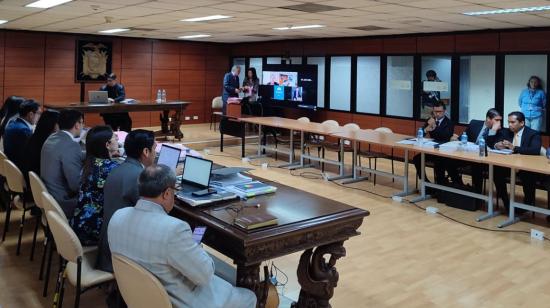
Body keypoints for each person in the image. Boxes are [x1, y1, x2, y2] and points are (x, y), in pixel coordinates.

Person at [108, 165, 257, 308]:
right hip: (179, 302)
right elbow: (205, 275)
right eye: (174, 190)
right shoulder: (174, 230)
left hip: (138, 297)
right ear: (166, 193)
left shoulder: (117, 216)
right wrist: (194, 244)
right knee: (249, 296)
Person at [96, 129, 156, 272]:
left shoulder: (117, 168)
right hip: (120, 252)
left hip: (107, 241)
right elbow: (152, 214)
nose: (156, 153)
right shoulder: (139, 177)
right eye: (154, 149)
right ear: (146, 152)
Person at [70, 126, 120, 246]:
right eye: (114, 137)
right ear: (107, 145)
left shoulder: (89, 162)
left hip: (80, 223)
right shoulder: (111, 168)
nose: (117, 138)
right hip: (94, 231)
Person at [446, 108, 505, 195]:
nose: (498, 123)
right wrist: (455, 139)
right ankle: (459, 185)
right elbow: (462, 138)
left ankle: (477, 196)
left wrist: (492, 131)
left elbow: (490, 146)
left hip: (484, 160)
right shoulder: (474, 124)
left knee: (477, 167)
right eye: (496, 120)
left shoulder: (499, 131)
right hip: (468, 156)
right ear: (488, 119)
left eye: (500, 120)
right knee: (447, 161)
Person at [494, 111, 541, 212]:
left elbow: (535, 150)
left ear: (522, 123)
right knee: (496, 171)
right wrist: (497, 145)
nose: (510, 125)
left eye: (512, 122)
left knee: (529, 175)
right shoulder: (505, 132)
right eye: (508, 122)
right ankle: (506, 203)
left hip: (525, 167)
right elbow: (495, 141)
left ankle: (527, 205)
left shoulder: (533, 134)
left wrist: (514, 148)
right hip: (508, 165)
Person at [41, 109, 85, 218]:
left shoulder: (52, 137)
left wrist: (92, 152)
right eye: (82, 122)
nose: (83, 125)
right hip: (63, 202)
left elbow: (68, 153)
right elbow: (75, 186)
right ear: (77, 125)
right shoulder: (71, 146)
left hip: (49, 196)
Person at [413, 101, 455, 185]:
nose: (437, 114)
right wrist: (426, 129)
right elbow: (419, 134)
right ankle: (425, 182)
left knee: (439, 163)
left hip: (443, 151)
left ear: (444, 111)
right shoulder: (430, 120)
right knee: (417, 159)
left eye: (440, 112)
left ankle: (440, 186)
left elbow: (445, 136)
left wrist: (434, 127)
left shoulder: (449, 122)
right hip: (431, 149)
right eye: (435, 112)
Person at [22, 109, 60, 185]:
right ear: (52, 124)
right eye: (59, 123)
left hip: (32, 181)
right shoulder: (48, 143)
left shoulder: (36, 136)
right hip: (40, 184)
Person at [3, 100, 41, 170]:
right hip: (19, 169)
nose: (39, 117)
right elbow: (31, 156)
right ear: (31, 114)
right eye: (39, 113)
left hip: (10, 167)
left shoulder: (12, 123)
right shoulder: (24, 131)